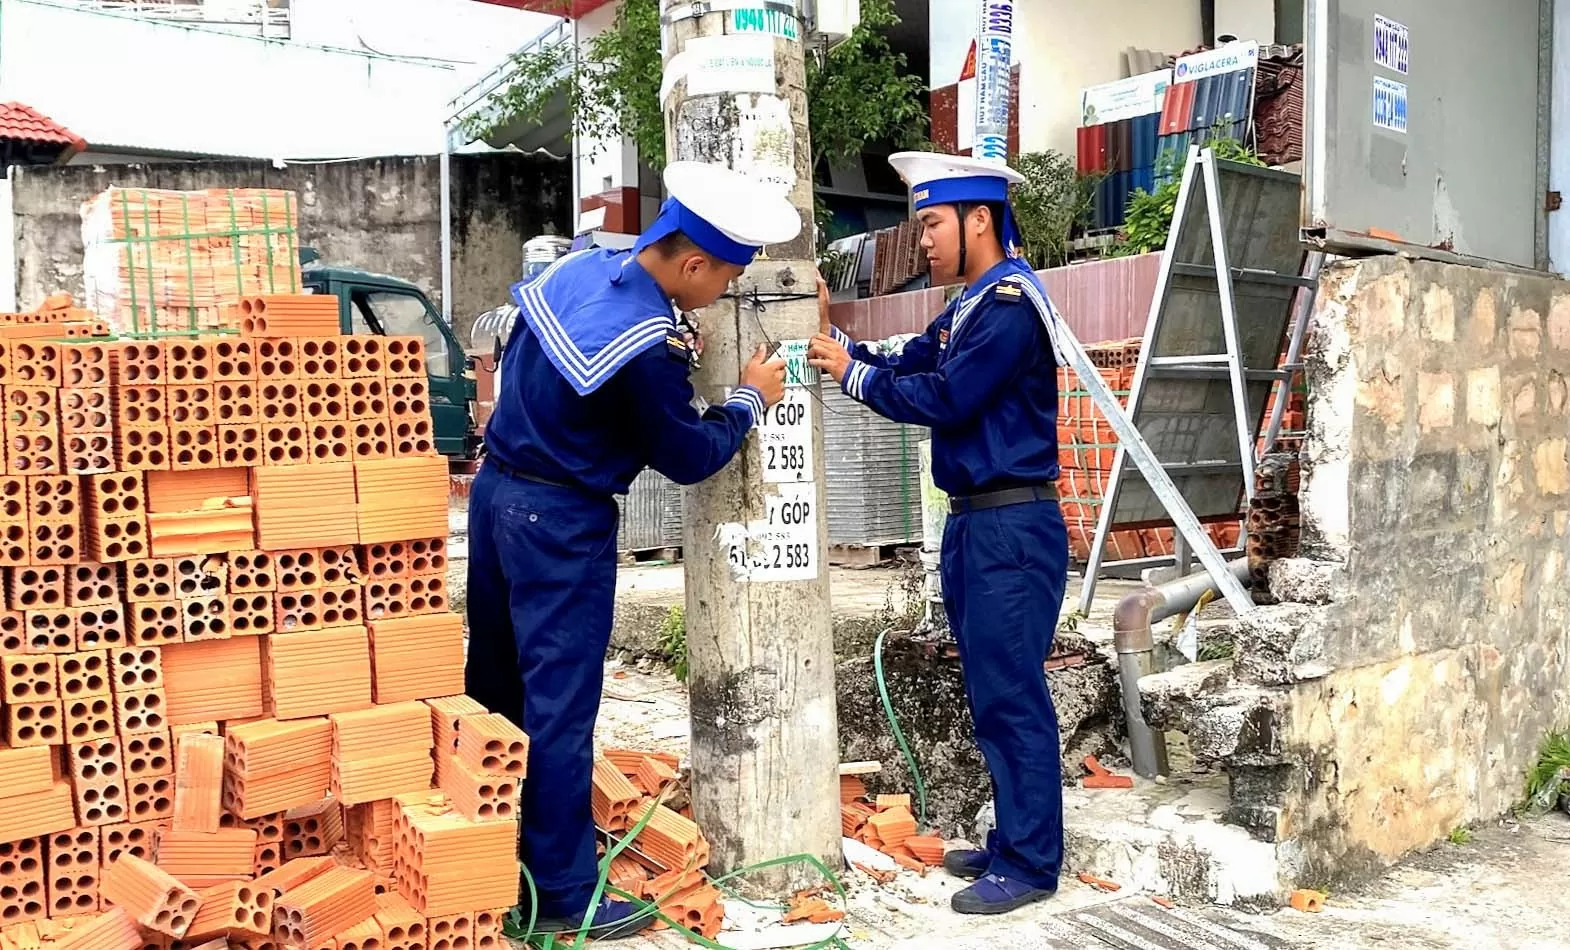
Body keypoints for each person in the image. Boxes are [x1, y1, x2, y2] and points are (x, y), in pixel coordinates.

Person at [465, 161, 798, 940]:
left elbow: (563, 358)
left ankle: (479, 866)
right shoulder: (647, 347)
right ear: (692, 264)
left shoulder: (585, 270)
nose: (726, 291)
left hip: (495, 497)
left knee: (493, 692)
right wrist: (748, 398)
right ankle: (561, 898)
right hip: (561, 523)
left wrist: (676, 342)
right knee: (560, 712)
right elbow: (687, 455)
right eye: (725, 276)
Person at [807, 152, 1070, 917]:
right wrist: (836, 341)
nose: (920, 240)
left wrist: (851, 375)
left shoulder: (1012, 308)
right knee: (991, 692)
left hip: (1010, 527)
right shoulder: (970, 306)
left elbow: (948, 396)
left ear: (977, 220)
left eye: (930, 224)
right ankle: (1013, 837)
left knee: (1012, 695)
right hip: (976, 526)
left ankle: (1030, 863)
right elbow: (910, 359)